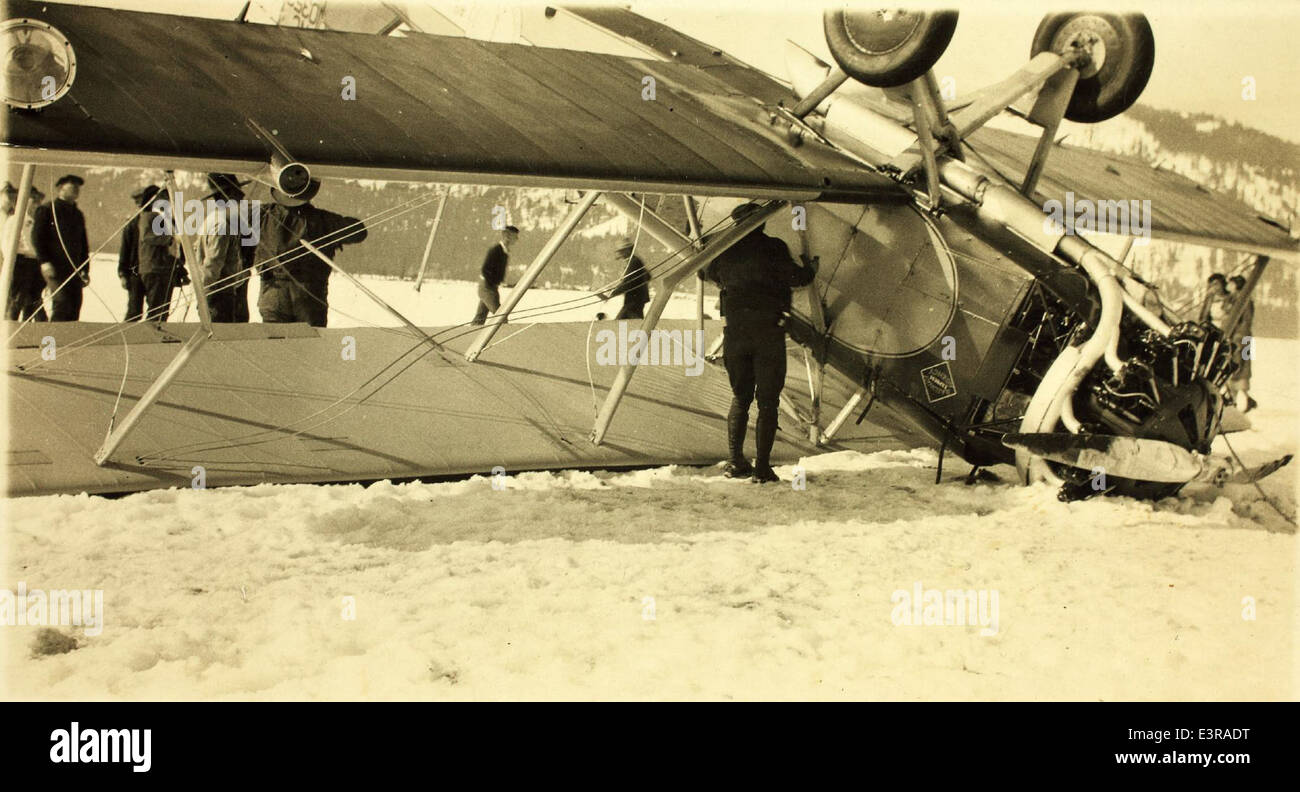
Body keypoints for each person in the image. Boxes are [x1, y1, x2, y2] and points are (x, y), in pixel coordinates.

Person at [700, 202, 816, 483]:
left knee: (741, 397)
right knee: (768, 402)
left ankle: (736, 461)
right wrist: (811, 266)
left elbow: (704, 272)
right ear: (761, 223)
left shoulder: (725, 248)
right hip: (768, 332)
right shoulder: (773, 247)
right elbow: (798, 278)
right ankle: (762, 467)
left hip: (736, 334)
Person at [256, 179, 367, 327]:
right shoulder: (323, 219)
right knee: (310, 346)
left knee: (274, 346)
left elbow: (228, 217)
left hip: (272, 294)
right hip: (309, 296)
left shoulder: (262, 215)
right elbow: (360, 232)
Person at [31, 174, 89, 321]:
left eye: (78, 186)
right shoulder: (47, 210)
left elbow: (83, 244)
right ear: (60, 189)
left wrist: (85, 269)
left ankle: (69, 341)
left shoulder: (77, 214)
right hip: (54, 267)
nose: (76, 189)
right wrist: (44, 262)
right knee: (61, 303)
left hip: (74, 268)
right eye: (72, 185)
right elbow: (37, 238)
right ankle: (52, 340)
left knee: (75, 305)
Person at [196, 173, 249, 322]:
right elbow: (213, 262)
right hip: (219, 295)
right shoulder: (222, 225)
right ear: (228, 196)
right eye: (237, 194)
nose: (242, 197)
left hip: (216, 293)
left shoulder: (212, 220)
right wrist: (206, 293)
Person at [137, 187, 188, 321]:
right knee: (156, 310)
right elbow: (147, 236)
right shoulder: (149, 216)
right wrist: (170, 239)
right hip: (155, 269)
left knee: (162, 311)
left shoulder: (167, 219)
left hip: (164, 270)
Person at [3, 182, 47, 321]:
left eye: (38, 200)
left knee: (34, 300)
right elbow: (6, 242)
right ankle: (10, 326)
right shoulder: (14, 220)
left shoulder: (37, 221)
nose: (36, 202)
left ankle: (32, 329)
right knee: (17, 299)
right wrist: (11, 263)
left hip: (35, 262)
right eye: (33, 198)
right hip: (21, 262)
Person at [118, 185, 156, 322]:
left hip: (152, 271)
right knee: (134, 312)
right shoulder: (132, 225)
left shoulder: (161, 222)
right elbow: (125, 250)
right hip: (135, 273)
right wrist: (122, 273)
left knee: (156, 311)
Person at [470, 225, 518, 325]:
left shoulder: (504, 251)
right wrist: (494, 282)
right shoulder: (496, 250)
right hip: (487, 288)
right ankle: (503, 336)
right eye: (515, 236)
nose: (517, 239)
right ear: (507, 236)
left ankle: (473, 333)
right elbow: (485, 270)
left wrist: (500, 282)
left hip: (491, 287)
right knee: (501, 317)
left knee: (480, 316)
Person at [599, 236, 650, 320]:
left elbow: (627, 283)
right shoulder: (635, 261)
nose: (620, 254)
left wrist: (611, 294)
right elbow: (647, 276)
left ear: (627, 250)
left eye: (621, 251)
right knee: (635, 324)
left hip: (634, 301)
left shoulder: (633, 262)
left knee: (621, 323)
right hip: (636, 300)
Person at [1226, 274, 1257, 412]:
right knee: (1239, 367)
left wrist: (1239, 336)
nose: (1228, 286)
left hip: (1242, 338)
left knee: (1240, 366)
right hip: (1241, 338)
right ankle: (1242, 399)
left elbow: (1246, 320)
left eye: (1231, 283)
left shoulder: (1244, 299)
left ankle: (1234, 400)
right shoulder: (1234, 299)